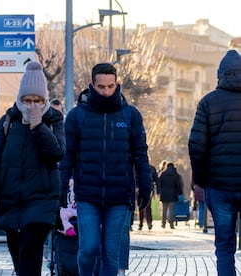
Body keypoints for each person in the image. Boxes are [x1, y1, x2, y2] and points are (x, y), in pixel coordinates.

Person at [59, 63, 152, 275]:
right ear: (92, 85)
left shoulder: (130, 116)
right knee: (88, 249)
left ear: (117, 84)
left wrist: (145, 187)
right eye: (101, 87)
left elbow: (141, 155)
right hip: (87, 195)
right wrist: (61, 189)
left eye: (111, 86)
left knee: (111, 253)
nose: (106, 92)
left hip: (119, 197)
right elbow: (67, 157)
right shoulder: (77, 116)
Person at [0, 61, 66, 276]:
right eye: (27, 100)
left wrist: (38, 127)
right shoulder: (7, 122)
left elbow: (57, 153)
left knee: (30, 251)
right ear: (20, 99)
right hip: (11, 202)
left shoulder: (54, 121)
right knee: (18, 256)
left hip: (42, 201)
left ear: (45, 100)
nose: (32, 105)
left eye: (38, 101)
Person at [188, 49, 241, 276]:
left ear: (220, 75)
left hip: (218, 186)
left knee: (225, 246)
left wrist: (200, 179)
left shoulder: (208, 102)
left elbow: (196, 145)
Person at [159, 162, 183, 229]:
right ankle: (171, 224)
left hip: (164, 194)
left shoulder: (163, 174)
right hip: (173, 194)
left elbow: (159, 183)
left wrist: (160, 191)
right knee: (172, 210)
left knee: (164, 210)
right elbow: (178, 185)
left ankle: (163, 223)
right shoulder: (175, 174)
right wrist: (180, 193)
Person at [138, 163, 158, 230]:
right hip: (148, 188)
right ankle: (147, 222)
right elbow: (156, 179)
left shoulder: (139, 166)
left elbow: (156, 179)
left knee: (142, 206)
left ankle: (143, 223)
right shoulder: (152, 168)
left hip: (143, 188)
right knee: (147, 206)